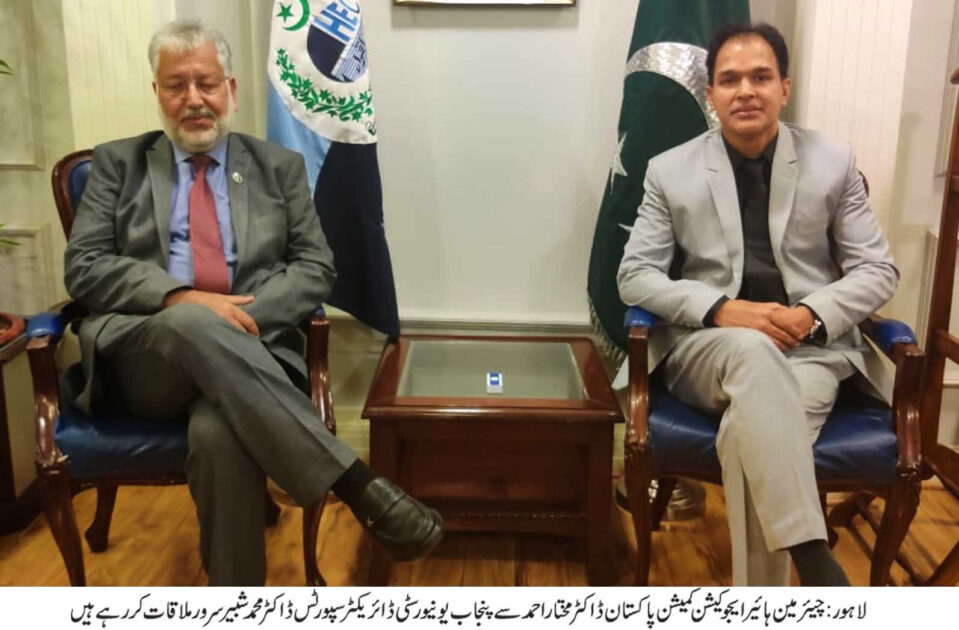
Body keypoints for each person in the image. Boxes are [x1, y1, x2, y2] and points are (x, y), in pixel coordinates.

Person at [63, 19, 443, 586]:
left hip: (253, 352)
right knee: (189, 321)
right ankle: (354, 484)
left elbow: (316, 267)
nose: (194, 99)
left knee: (219, 432)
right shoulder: (119, 164)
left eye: (206, 83)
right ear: (157, 93)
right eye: (176, 85)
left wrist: (235, 320)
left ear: (232, 89)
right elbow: (84, 266)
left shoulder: (277, 167)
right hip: (146, 362)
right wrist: (185, 299)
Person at [617, 22, 898, 586]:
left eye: (760, 77)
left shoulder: (833, 162)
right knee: (750, 352)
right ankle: (812, 554)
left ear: (784, 88)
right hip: (710, 349)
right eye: (729, 79)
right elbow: (635, 275)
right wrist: (723, 309)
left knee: (747, 436)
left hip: (809, 352)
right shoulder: (670, 170)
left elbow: (878, 269)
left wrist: (811, 314)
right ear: (711, 94)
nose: (745, 90)